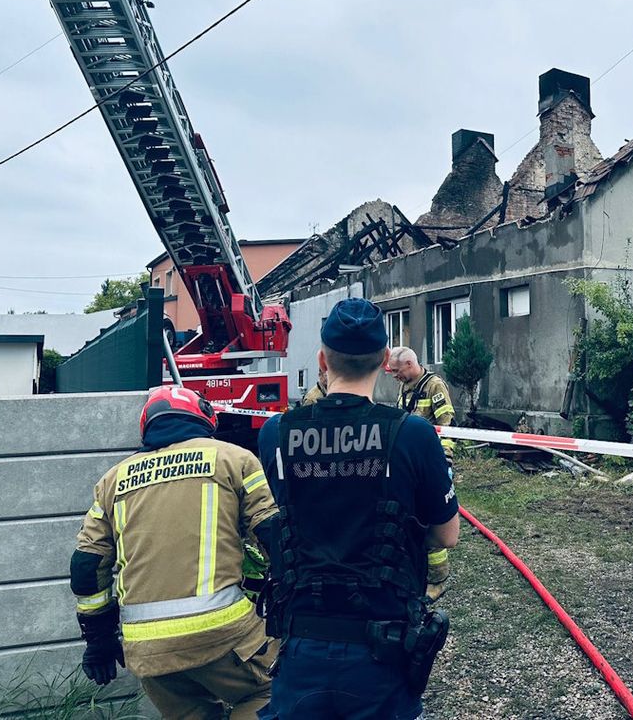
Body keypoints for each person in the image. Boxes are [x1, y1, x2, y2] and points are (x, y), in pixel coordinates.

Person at [257, 299, 459, 720]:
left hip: (301, 642)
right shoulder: (413, 435)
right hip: (380, 648)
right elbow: (447, 535)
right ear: (385, 359)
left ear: (321, 359)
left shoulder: (277, 432)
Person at [70, 385, 279, 718]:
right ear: (205, 418)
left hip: (147, 648)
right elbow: (271, 533)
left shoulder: (112, 481)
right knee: (273, 691)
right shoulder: (233, 458)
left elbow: (86, 564)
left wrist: (98, 640)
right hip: (222, 632)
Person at [388, 346, 457, 599]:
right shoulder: (405, 385)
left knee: (432, 520)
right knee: (411, 518)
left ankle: (438, 579)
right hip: (408, 465)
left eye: (397, 371)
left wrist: (445, 463)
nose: (394, 376)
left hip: (430, 464)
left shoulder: (434, 386)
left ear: (409, 364)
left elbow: (447, 427)